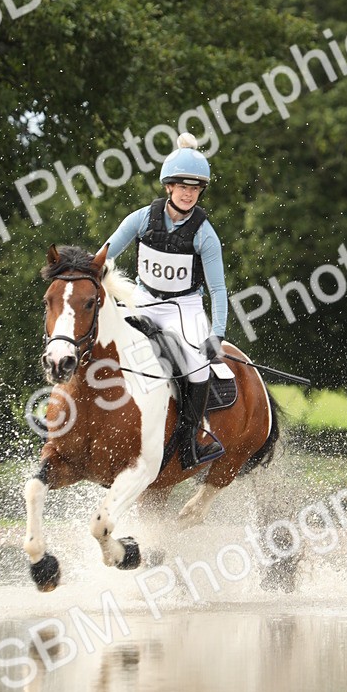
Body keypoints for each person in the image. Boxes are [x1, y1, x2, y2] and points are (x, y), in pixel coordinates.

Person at [102, 133, 227, 469]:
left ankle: (189, 442)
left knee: (197, 370)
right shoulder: (141, 219)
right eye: (182, 186)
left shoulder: (205, 234)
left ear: (200, 192)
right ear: (169, 187)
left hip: (182, 309)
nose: (188, 193)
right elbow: (106, 253)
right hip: (142, 299)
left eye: (195, 188)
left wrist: (217, 333)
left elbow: (217, 290)